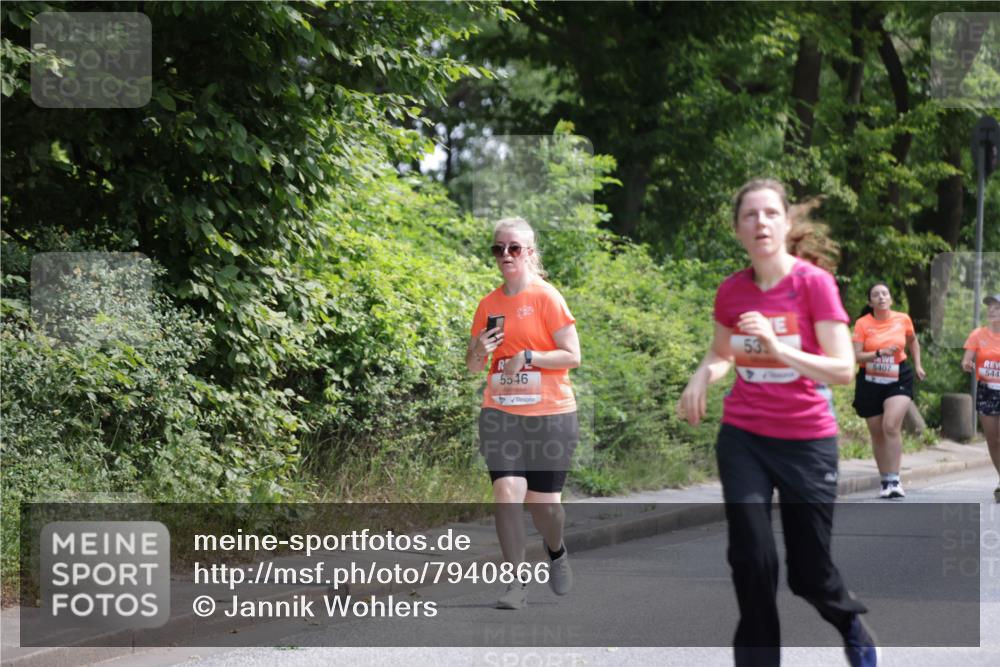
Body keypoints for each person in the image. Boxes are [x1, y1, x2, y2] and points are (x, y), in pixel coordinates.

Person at [677, 178, 877, 667]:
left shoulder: (813, 285)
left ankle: (849, 621)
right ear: (738, 229)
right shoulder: (732, 291)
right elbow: (722, 352)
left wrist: (778, 346)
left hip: (807, 442)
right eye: (750, 215)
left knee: (808, 573)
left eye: (770, 213)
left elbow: (842, 370)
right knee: (751, 558)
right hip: (744, 437)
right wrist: (702, 376)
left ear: (786, 223)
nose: (760, 222)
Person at [466, 216, 581, 610]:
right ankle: (515, 583)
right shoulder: (488, 304)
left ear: (530, 253)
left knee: (544, 507)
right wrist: (479, 348)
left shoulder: (547, 297)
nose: (506, 255)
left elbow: (573, 355)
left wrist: (528, 357)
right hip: (500, 411)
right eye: (499, 248)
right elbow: (472, 366)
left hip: (551, 413)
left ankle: (556, 549)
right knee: (507, 493)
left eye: (514, 248)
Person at [851, 283, 926, 499]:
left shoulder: (902, 319)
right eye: (876, 295)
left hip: (898, 376)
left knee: (890, 425)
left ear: (891, 299)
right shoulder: (863, 324)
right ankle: (885, 479)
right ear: (870, 302)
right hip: (870, 380)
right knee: (877, 432)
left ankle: (894, 479)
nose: (881, 297)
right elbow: (856, 356)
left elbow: (913, 341)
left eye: (885, 293)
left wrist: (918, 364)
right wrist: (879, 352)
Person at [962, 293, 1000, 503]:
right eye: (990, 307)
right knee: (993, 439)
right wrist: (967, 365)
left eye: (997, 307)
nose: (992, 311)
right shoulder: (978, 334)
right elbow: (966, 360)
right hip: (987, 389)